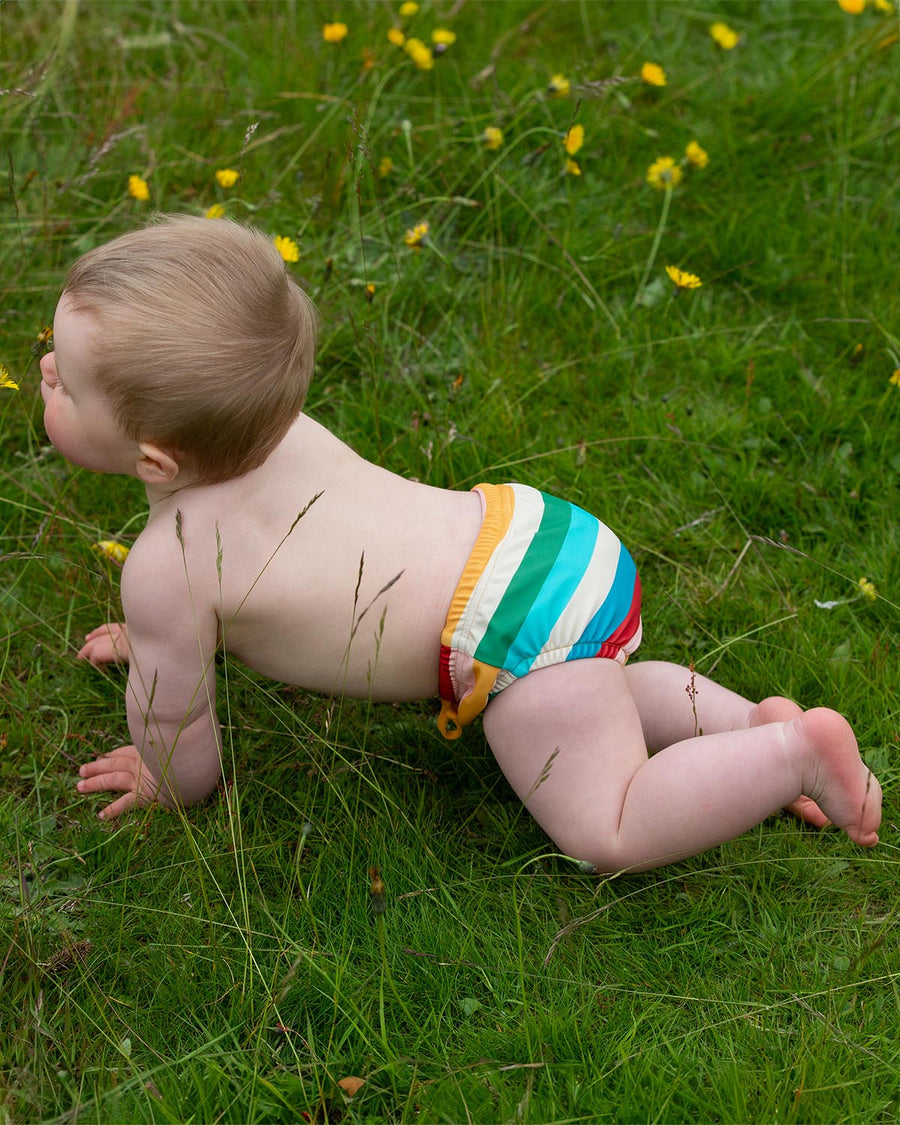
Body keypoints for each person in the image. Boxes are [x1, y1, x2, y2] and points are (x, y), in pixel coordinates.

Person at [39, 215, 881, 874]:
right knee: (597, 685)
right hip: (540, 536)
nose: (43, 369)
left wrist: (158, 764)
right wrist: (166, 641)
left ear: (156, 459)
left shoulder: (167, 569)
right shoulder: (277, 425)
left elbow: (184, 759)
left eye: (64, 382)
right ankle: (746, 721)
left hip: (506, 628)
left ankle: (789, 755)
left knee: (608, 826)